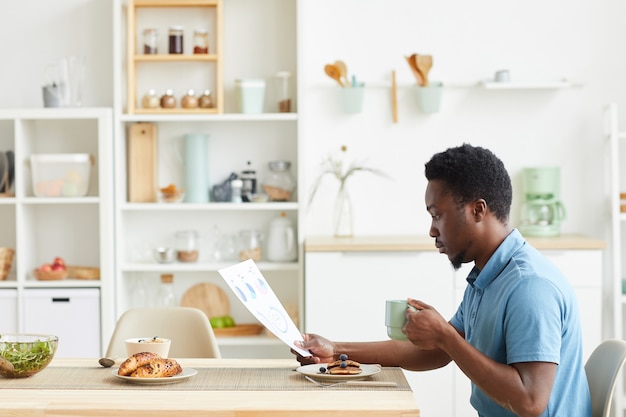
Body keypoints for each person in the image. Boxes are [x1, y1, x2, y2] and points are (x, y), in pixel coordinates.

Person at [293, 144, 591, 417]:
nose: (432, 231)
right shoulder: (487, 276)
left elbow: (530, 401)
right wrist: (336, 350)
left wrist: (445, 337)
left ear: (478, 210)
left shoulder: (530, 287)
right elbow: (437, 352)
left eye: (438, 215)